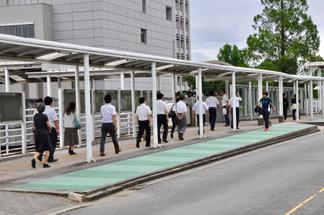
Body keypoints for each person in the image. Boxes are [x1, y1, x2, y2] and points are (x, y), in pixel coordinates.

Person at [31, 104, 51, 168]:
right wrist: (50, 130)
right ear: (43, 109)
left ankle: (34, 159)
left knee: (39, 148)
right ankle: (45, 163)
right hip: (44, 134)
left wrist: (35, 132)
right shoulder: (45, 116)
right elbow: (48, 125)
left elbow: (33, 126)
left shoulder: (35, 116)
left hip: (37, 134)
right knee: (48, 148)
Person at [44, 96, 59, 162]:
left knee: (46, 143)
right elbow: (55, 120)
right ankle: (50, 157)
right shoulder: (52, 110)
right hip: (51, 129)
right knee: (53, 143)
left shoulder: (42, 109)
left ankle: (45, 157)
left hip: (43, 129)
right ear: (51, 102)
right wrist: (57, 129)